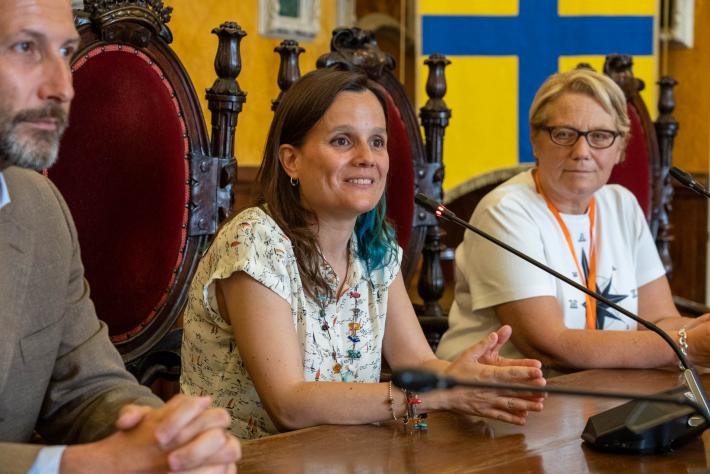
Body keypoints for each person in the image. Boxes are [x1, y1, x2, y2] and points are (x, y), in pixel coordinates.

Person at [180, 67, 547, 440]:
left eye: (377, 141)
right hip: (235, 459)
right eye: (342, 141)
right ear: (291, 160)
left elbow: (417, 362)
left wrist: (462, 378)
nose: (367, 157)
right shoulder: (253, 240)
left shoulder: (375, 245)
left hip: (346, 453)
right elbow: (289, 405)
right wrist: (433, 397)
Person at [0, 0, 241, 472]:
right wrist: (84, 465)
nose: (62, 87)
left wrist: (168, 440)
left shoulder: (40, 209)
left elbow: (88, 389)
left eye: (65, 50)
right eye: (26, 47)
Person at [436, 68, 710, 374]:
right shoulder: (505, 211)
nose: (582, 152)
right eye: (564, 134)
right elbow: (549, 346)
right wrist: (687, 345)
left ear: (621, 148)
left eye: (600, 136)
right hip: (500, 394)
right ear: (535, 140)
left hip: (607, 389)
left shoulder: (622, 204)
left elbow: (658, 321)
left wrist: (698, 331)